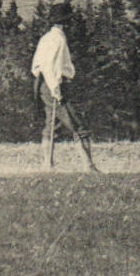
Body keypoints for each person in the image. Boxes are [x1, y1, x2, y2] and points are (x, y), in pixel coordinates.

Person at [31, 17, 97, 171]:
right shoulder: (58, 39)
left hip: (42, 84)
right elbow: (48, 66)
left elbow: (38, 66)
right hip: (53, 83)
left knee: (51, 124)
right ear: (64, 23)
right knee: (77, 123)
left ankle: (47, 166)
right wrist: (55, 88)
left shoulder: (46, 38)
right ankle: (89, 166)